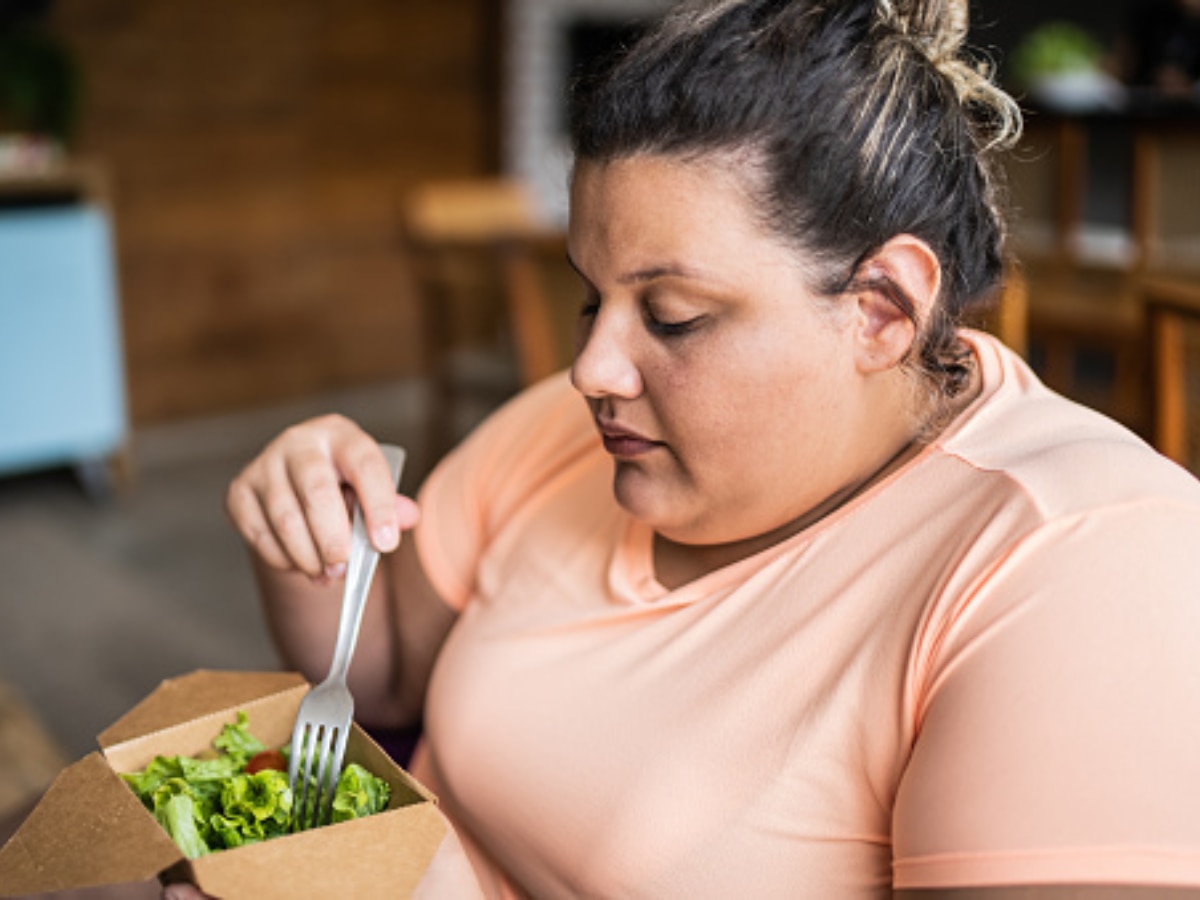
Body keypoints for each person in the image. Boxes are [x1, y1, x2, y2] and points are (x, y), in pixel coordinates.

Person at [172, 0, 1200, 897]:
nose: (591, 369)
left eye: (671, 316)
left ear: (882, 310)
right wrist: (314, 533)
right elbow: (385, 682)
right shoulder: (573, 434)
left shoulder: (1084, 563)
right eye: (591, 296)